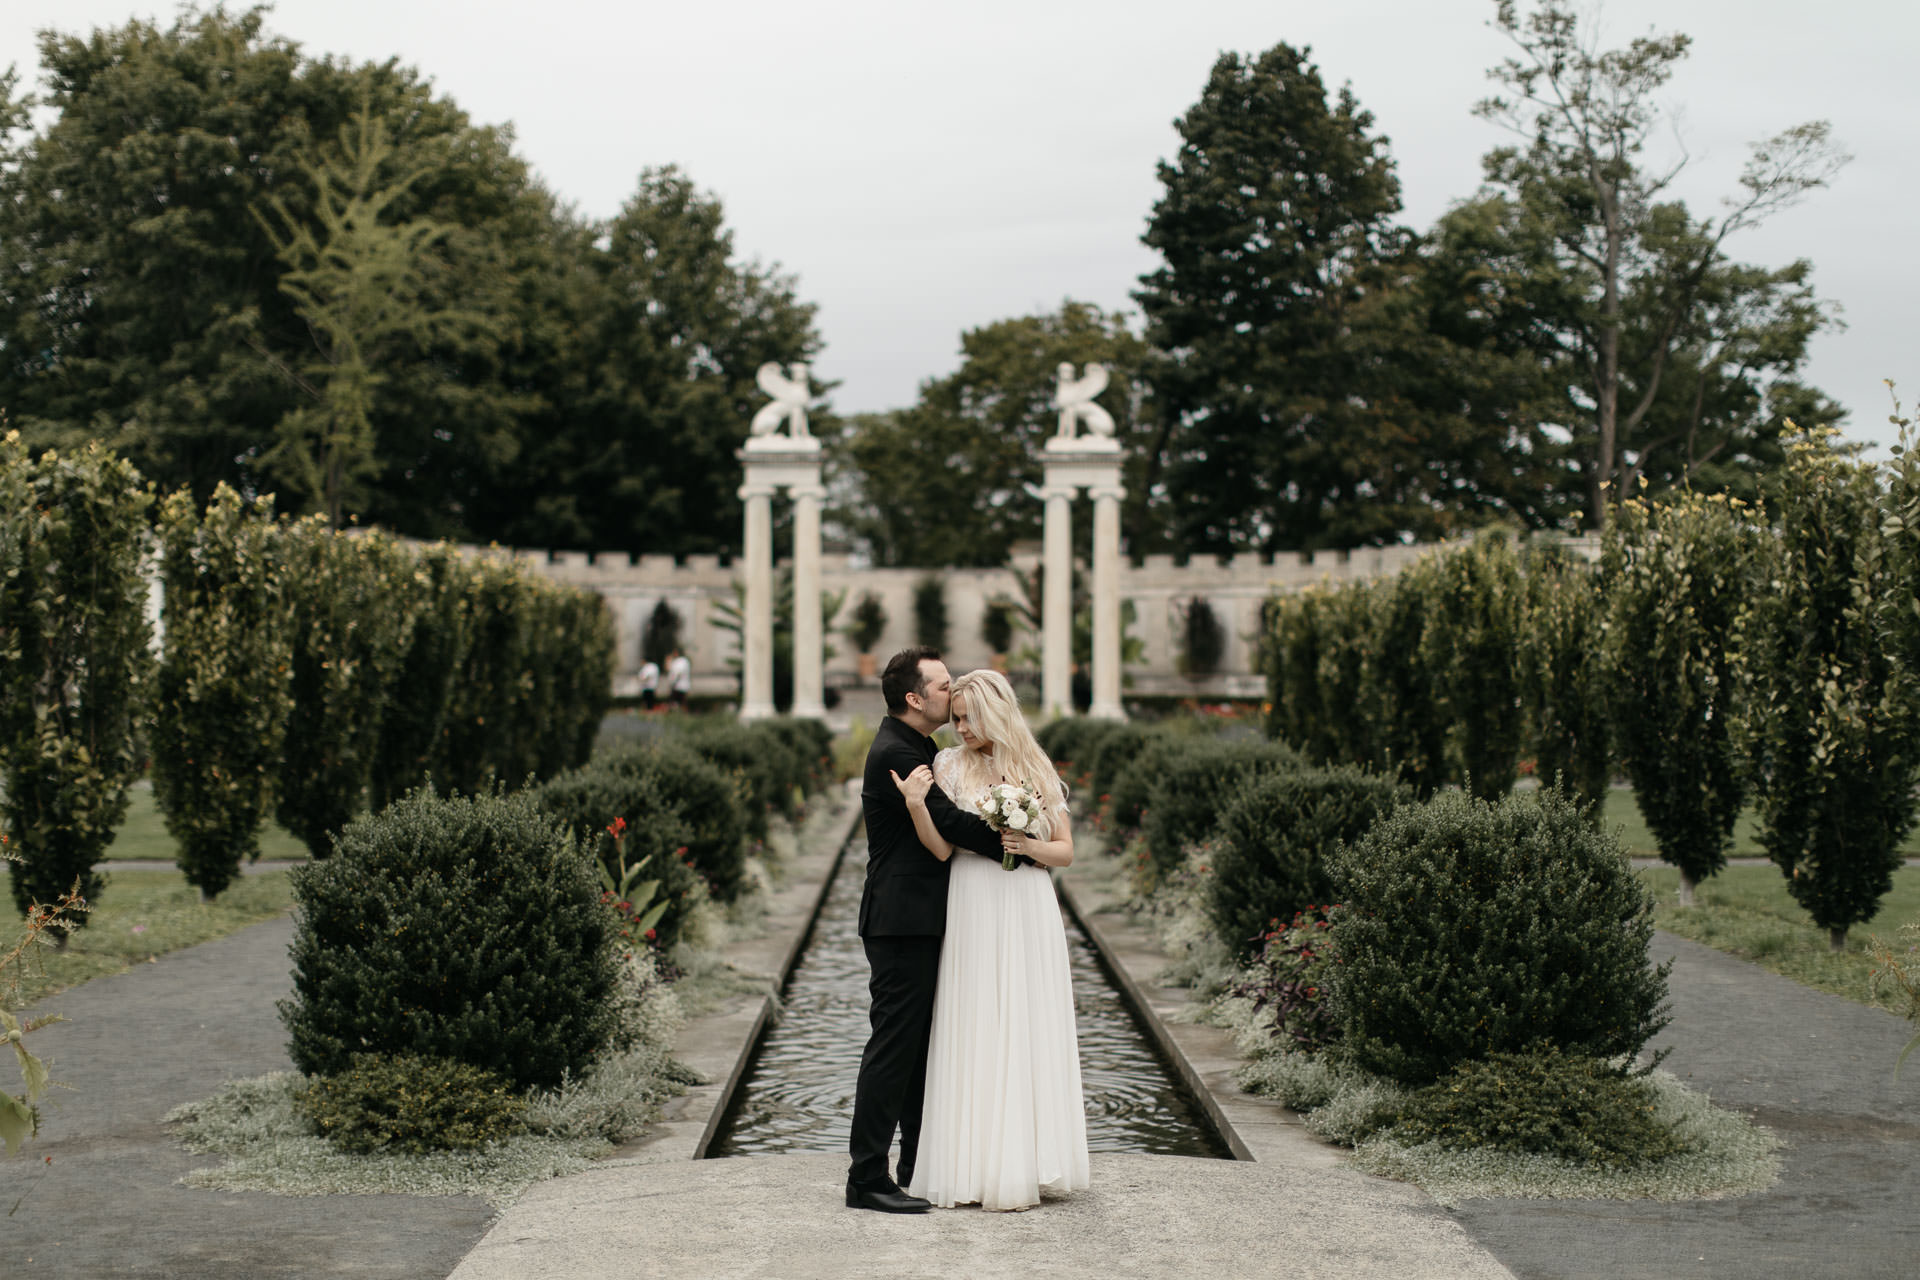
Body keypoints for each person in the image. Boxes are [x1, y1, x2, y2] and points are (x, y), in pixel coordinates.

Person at [891, 667, 1089, 1211]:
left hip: (1026, 904)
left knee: (1024, 1021)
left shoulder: (1034, 766)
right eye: (954, 718)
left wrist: (1025, 846)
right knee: (973, 1021)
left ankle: (1024, 1161)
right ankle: (971, 1165)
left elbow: (1066, 851)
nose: (959, 728)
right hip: (972, 900)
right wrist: (914, 806)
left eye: (968, 719)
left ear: (995, 714)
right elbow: (939, 850)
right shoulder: (947, 764)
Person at [848, 647, 1008, 1214]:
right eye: (943, 685)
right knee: (893, 1049)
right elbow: (950, 823)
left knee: (917, 1051)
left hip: (919, 918)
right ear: (914, 698)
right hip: (901, 922)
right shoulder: (897, 750)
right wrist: (1022, 843)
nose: (952, 689)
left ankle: (915, 1166)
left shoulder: (921, 744)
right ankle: (867, 1178)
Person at [665, 646, 691, 711]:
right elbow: (669, 670)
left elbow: (678, 673)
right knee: (675, 702)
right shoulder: (676, 661)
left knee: (680, 702)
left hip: (680, 686)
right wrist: (667, 661)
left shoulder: (682, 661)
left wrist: (673, 682)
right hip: (677, 686)